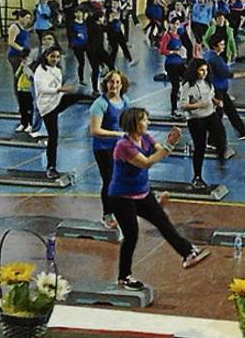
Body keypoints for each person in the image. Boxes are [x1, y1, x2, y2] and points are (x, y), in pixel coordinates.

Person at [109, 107, 210, 290]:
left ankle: (187, 253)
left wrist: (170, 142)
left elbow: (160, 151)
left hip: (142, 192)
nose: (148, 123)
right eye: (144, 120)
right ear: (134, 123)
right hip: (121, 197)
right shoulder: (123, 146)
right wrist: (169, 145)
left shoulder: (146, 138)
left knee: (164, 223)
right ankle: (124, 276)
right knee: (131, 235)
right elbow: (146, 162)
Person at [34, 46, 91, 180]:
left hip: (57, 101)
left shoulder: (58, 70)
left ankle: (100, 99)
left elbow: (59, 89)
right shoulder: (40, 71)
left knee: (79, 94)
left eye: (57, 57)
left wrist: (66, 91)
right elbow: (42, 89)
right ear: (46, 56)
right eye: (52, 56)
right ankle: (51, 167)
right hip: (47, 108)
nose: (55, 59)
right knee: (53, 137)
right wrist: (61, 89)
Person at [89, 70, 131, 229]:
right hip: (103, 148)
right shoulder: (100, 104)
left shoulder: (125, 100)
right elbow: (94, 130)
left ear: (122, 84)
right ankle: (107, 214)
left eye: (117, 82)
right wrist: (118, 134)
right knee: (109, 180)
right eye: (111, 82)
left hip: (120, 147)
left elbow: (127, 121)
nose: (114, 85)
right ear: (105, 84)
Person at [179, 58, 229, 188]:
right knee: (200, 147)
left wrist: (216, 101)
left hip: (210, 114)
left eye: (206, 70)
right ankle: (197, 176)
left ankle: (221, 159)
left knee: (221, 135)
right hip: (196, 119)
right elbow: (183, 105)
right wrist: (198, 105)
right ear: (195, 71)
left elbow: (209, 95)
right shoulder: (187, 86)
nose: (204, 73)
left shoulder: (208, 83)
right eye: (201, 70)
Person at [204, 34, 245, 139]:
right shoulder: (215, 59)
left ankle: (243, 131)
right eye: (222, 44)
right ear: (215, 46)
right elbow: (225, 73)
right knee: (218, 115)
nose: (224, 46)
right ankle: (212, 140)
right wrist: (241, 75)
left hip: (220, 89)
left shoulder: (209, 55)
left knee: (230, 111)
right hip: (217, 89)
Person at [159, 20, 188, 118]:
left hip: (179, 63)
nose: (175, 26)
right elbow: (162, 50)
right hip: (171, 64)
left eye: (177, 24)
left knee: (190, 79)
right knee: (175, 86)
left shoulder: (179, 36)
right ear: (170, 25)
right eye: (173, 24)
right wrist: (173, 52)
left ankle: (186, 99)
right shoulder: (167, 36)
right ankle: (174, 110)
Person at [6, 9, 31, 91]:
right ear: (20, 17)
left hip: (22, 55)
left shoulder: (23, 27)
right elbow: (11, 42)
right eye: (26, 18)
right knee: (18, 73)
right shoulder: (14, 27)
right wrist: (21, 49)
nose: (28, 20)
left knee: (23, 73)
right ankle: (18, 90)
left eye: (29, 18)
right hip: (14, 55)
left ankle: (21, 89)